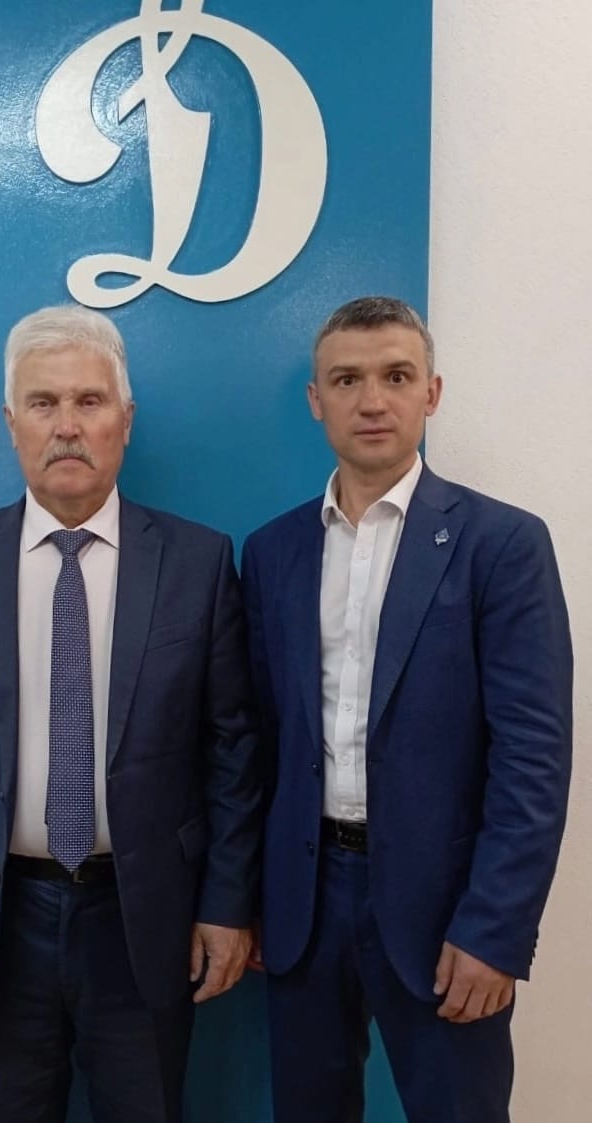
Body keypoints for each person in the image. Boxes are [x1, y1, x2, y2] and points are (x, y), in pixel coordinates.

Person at [0, 304, 259, 1123]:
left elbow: (232, 753)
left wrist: (226, 904)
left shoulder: (197, 562)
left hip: (143, 917)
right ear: (11, 423)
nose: (67, 426)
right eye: (43, 403)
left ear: (126, 419)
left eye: (89, 401)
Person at [241, 296, 572, 1123]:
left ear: (431, 391)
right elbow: (259, 739)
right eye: (345, 380)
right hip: (303, 904)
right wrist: (250, 900)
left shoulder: (501, 544)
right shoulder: (273, 551)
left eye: (395, 376)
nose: (371, 400)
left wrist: (495, 928)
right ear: (315, 400)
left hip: (445, 907)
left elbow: (532, 757)